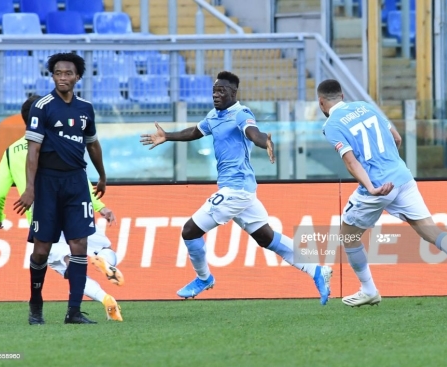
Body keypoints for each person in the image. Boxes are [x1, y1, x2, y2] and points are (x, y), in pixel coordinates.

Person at [140, 71, 332, 305]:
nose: (216, 95)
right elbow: (195, 131)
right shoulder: (214, 115)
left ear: (233, 92)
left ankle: (204, 278)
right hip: (243, 192)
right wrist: (168, 136)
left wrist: (265, 142)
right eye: (214, 91)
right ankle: (317, 271)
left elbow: (253, 133)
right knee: (267, 238)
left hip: (235, 190)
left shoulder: (241, 114)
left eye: (221, 91)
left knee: (190, 231)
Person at [317, 79, 447, 307]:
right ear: (342, 95)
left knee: (348, 236)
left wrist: (371, 188)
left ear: (321, 103)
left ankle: (369, 290)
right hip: (402, 176)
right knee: (432, 232)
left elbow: (350, 162)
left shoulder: (332, 125)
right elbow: (396, 138)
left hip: (377, 186)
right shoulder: (365, 106)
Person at [0, 95, 123, 322]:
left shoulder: (13, 151)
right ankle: (97, 269)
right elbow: (78, 178)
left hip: (42, 214)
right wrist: (100, 206)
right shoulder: (64, 142)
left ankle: (45, 308)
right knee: (101, 250)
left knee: (60, 263)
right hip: (74, 208)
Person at [13, 53, 108, 324]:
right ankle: (36, 303)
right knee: (42, 248)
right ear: (52, 76)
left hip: (77, 181)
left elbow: (92, 144)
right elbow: (34, 150)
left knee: (79, 245)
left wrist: (101, 175)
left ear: (78, 76)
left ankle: (74, 311)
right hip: (48, 183)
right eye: (57, 73)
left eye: (68, 73)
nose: (62, 78)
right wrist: (30, 188)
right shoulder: (42, 107)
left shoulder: (85, 108)